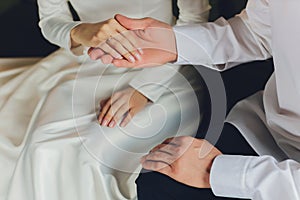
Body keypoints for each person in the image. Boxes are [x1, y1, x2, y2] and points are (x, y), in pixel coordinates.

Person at [0, 0, 212, 200]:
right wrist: (80, 31)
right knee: (42, 145)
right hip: (87, 62)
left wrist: (145, 88)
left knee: (91, 153)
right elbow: (51, 20)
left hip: (166, 62)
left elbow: (196, 18)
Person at [93, 0, 300, 199]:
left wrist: (216, 172)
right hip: (270, 128)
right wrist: (175, 43)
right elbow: (258, 32)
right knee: (158, 181)